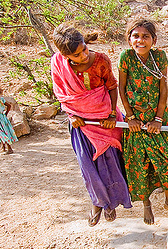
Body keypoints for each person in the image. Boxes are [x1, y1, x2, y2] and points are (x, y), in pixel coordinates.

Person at [51, 23, 132, 227]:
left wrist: (112, 114)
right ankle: (97, 202)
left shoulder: (101, 60)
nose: (84, 56)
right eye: (77, 55)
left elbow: (112, 87)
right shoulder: (58, 64)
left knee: (110, 165)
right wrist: (71, 115)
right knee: (88, 166)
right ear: (66, 56)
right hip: (81, 124)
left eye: (84, 48)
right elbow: (61, 94)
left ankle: (111, 203)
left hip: (105, 120)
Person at [118, 18, 168, 224]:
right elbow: (121, 89)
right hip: (135, 123)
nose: (140, 40)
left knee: (164, 161)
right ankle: (146, 203)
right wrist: (130, 118)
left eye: (145, 36)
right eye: (136, 36)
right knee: (139, 164)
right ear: (129, 39)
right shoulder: (126, 57)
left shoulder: (160, 57)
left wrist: (158, 119)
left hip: (158, 121)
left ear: (153, 39)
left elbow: (163, 89)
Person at [0, 83, 18, 154]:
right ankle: (3, 147)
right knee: (4, 131)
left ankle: (9, 148)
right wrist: (5, 114)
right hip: (2, 117)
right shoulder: (1, 99)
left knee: (1, 133)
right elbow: (9, 106)